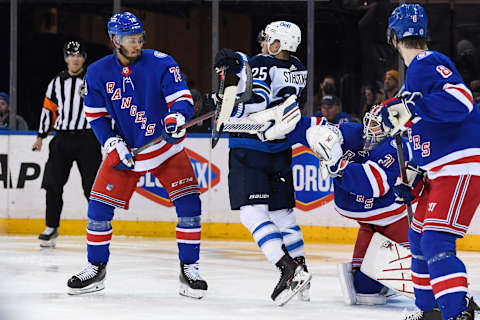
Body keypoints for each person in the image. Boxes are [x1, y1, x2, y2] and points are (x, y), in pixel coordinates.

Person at [66, 12, 208, 299]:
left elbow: (181, 99)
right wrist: (111, 143)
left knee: (190, 205)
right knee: (98, 210)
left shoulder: (162, 62)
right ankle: (96, 268)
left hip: (166, 149)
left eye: (140, 38)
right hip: (126, 149)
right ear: (115, 40)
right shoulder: (97, 72)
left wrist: (175, 119)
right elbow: (96, 116)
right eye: (131, 40)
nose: (137, 45)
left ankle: (189, 268)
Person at [380, 4, 480, 320]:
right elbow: (424, 134)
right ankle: (430, 310)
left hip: (460, 164)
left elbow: (462, 101)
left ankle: (456, 312)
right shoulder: (414, 78)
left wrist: (414, 104)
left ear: (392, 36)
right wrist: (411, 176)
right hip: (440, 170)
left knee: (436, 239)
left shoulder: (427, 61)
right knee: (418, 236)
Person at [256, 102, 412, 305]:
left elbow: (372, 185)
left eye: (375, 126)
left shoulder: (396, 148)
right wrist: (289, 124)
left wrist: (337, 165)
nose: (367, 131)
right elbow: (319, 129)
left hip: (396, 224)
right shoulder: (356, 133)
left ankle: (415, 278)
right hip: (369, 225)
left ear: (390, 129)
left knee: (368, 290)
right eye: (368, 123)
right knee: (362, 292)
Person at [213, 20, 311, 306]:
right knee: (284, 216)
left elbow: (255, 102)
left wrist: (223, 102)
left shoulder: (259, 63)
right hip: (280, 150)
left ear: (278, 43)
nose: (263, 43)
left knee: (251, 214)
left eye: (267, 39)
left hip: (250, 147)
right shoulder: (299, 68)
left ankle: (288, 269)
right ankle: (302, 268)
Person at [32, 41, 101, 247]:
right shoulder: (56, 82)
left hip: (87, 138)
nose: (75, 58)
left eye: (79, 55)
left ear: (84, 58)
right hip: (62, 138)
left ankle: (97, 227)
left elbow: (105, 108)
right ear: (65, 59)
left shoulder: (93, 80)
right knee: (52, 184)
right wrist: (41, 136)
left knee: (92, 186)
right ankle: (51, 227)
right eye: (71, 55)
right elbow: (48, 109)